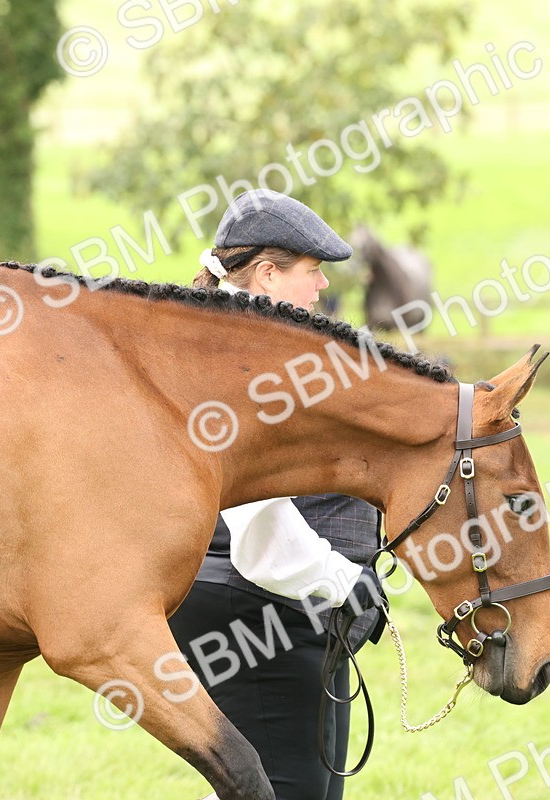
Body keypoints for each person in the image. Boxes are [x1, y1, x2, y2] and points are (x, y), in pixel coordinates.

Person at [169, 189, 385, 800]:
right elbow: (254, 516)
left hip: (278, 597)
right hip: (256, 601)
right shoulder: (233, 348)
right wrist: (341, 583)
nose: (321, 287)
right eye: (312, 272)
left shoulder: (250, 335)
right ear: (267, 273)